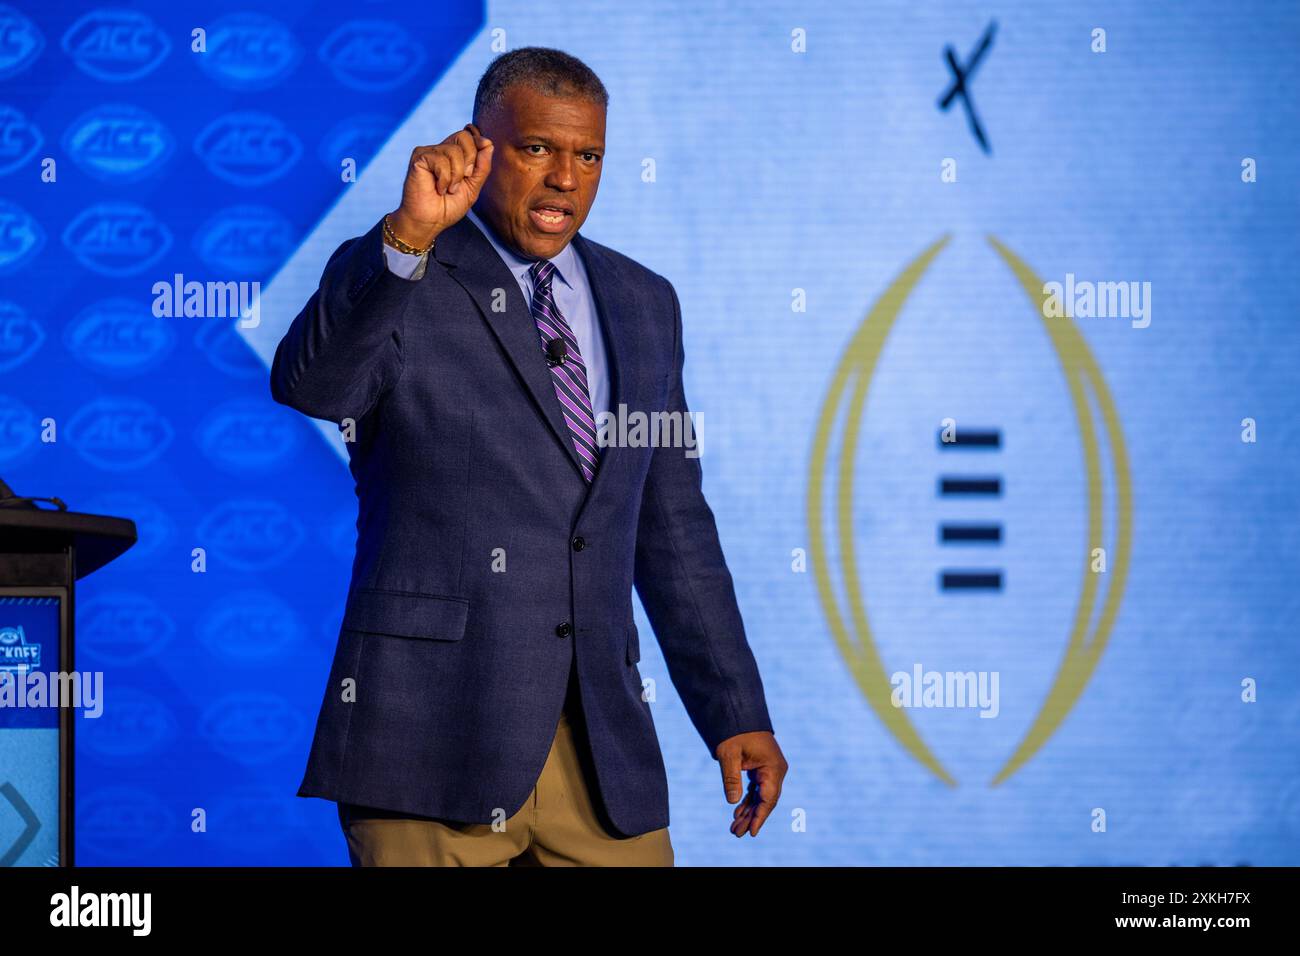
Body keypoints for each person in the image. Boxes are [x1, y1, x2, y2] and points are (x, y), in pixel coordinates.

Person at [270, 46, 787, 866]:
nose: (565, 179)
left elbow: (674, 526)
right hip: (430, 746)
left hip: (603, 758)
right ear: (478, 147)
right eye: (537, 148)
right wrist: (407, 237)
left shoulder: (645, 303)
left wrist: (734, 710)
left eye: (588, 156)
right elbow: (313, 386)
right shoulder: (406, 268)